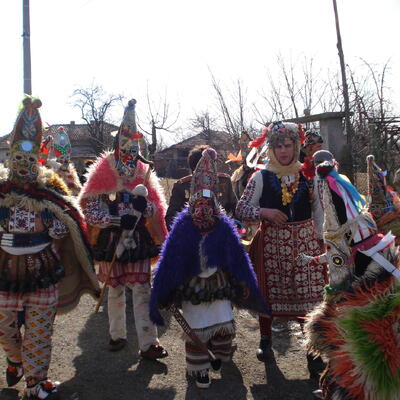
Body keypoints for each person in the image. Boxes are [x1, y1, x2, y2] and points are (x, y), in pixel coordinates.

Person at [0, 96, 99, 399]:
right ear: (9, 158)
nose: (24, 166)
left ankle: (35, 382)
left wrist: (55, 227)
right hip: (5, 274)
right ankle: (15, 359)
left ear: (38, 161)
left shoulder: (51, 191)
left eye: (30, 161)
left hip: (44, 270)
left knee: (40, 331)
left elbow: (68, 222)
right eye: (19, 159)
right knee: (5, 329)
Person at [150, 148, 268, 389]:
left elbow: (237, 259)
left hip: (219, 284)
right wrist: (164, 290)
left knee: (224, 325)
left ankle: (218, 354)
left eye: (208, 206)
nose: (203, 211)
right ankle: (199, 368)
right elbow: (170, 260)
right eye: (199, 206)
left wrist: (244, 283)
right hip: (192, 287)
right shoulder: (182, 228)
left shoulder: (223, 226)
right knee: (198, 328)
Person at [79, 99, 168, 360]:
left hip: (138, 242)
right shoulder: (102, 175)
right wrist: (117, 221)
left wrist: (143, 208)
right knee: (115, 290)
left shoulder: (145, 175)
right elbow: (91, 212)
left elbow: (154, 209)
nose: (129, 156)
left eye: (134, 151)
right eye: (125, 150)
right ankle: (117, 335)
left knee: (142, 290)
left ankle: (149, 343)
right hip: (110, 244)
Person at [235, 122, 327, 371]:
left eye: (288, 145)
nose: (283, 151)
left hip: (307, 245)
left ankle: (312, 347)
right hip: (272, 245)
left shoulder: (310, 174)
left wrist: (321, 239)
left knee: (310, 297)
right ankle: (266, 339)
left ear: (296, 146)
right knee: (269, 292)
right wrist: (265, 211)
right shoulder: (261, 176)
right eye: (278, 146)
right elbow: (242, 209)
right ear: (271, 148)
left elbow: (319, 210)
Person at [165, 145, 237, 229]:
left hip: (222, 233)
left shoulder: (224, 181)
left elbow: (235, 209)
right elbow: (171, 218)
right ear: (194, 168)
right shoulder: (182, 185)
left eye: (211, 165)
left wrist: (232, 228)